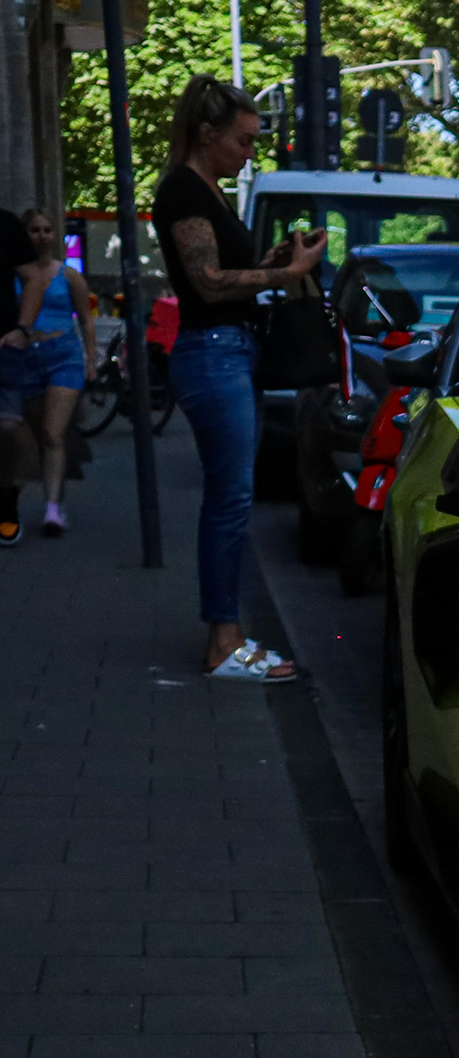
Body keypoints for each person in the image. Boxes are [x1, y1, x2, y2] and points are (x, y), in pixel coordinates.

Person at [152, 74, 319, 682]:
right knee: (229, 499)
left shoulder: (210, 192)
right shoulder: (184, 192)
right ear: (207, 135)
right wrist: (280, 276)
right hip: (213, 353)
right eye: (244, 141)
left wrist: (274, 261)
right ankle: (224, 642)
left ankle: (230, 633)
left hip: (229, 352)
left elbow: (223, 271)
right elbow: (205, 282)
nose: (252, 152)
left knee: (232, 497)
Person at [13, 211, 98, 537]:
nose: (42, 236)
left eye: (48, 230)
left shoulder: (68, 276)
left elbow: (88, 321)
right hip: (27, 359)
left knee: (52, 434)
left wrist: (90, 360)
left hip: (63, 356)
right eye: (35, 230)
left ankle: (51, 509)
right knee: (38, 435)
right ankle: (54, 494)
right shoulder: (14, 276)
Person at [0, 208, 43, 546]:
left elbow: (33, 278)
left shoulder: (5, 223)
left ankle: (7, 496)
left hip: (3, 343)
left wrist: (23, 328)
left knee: (7, 428)